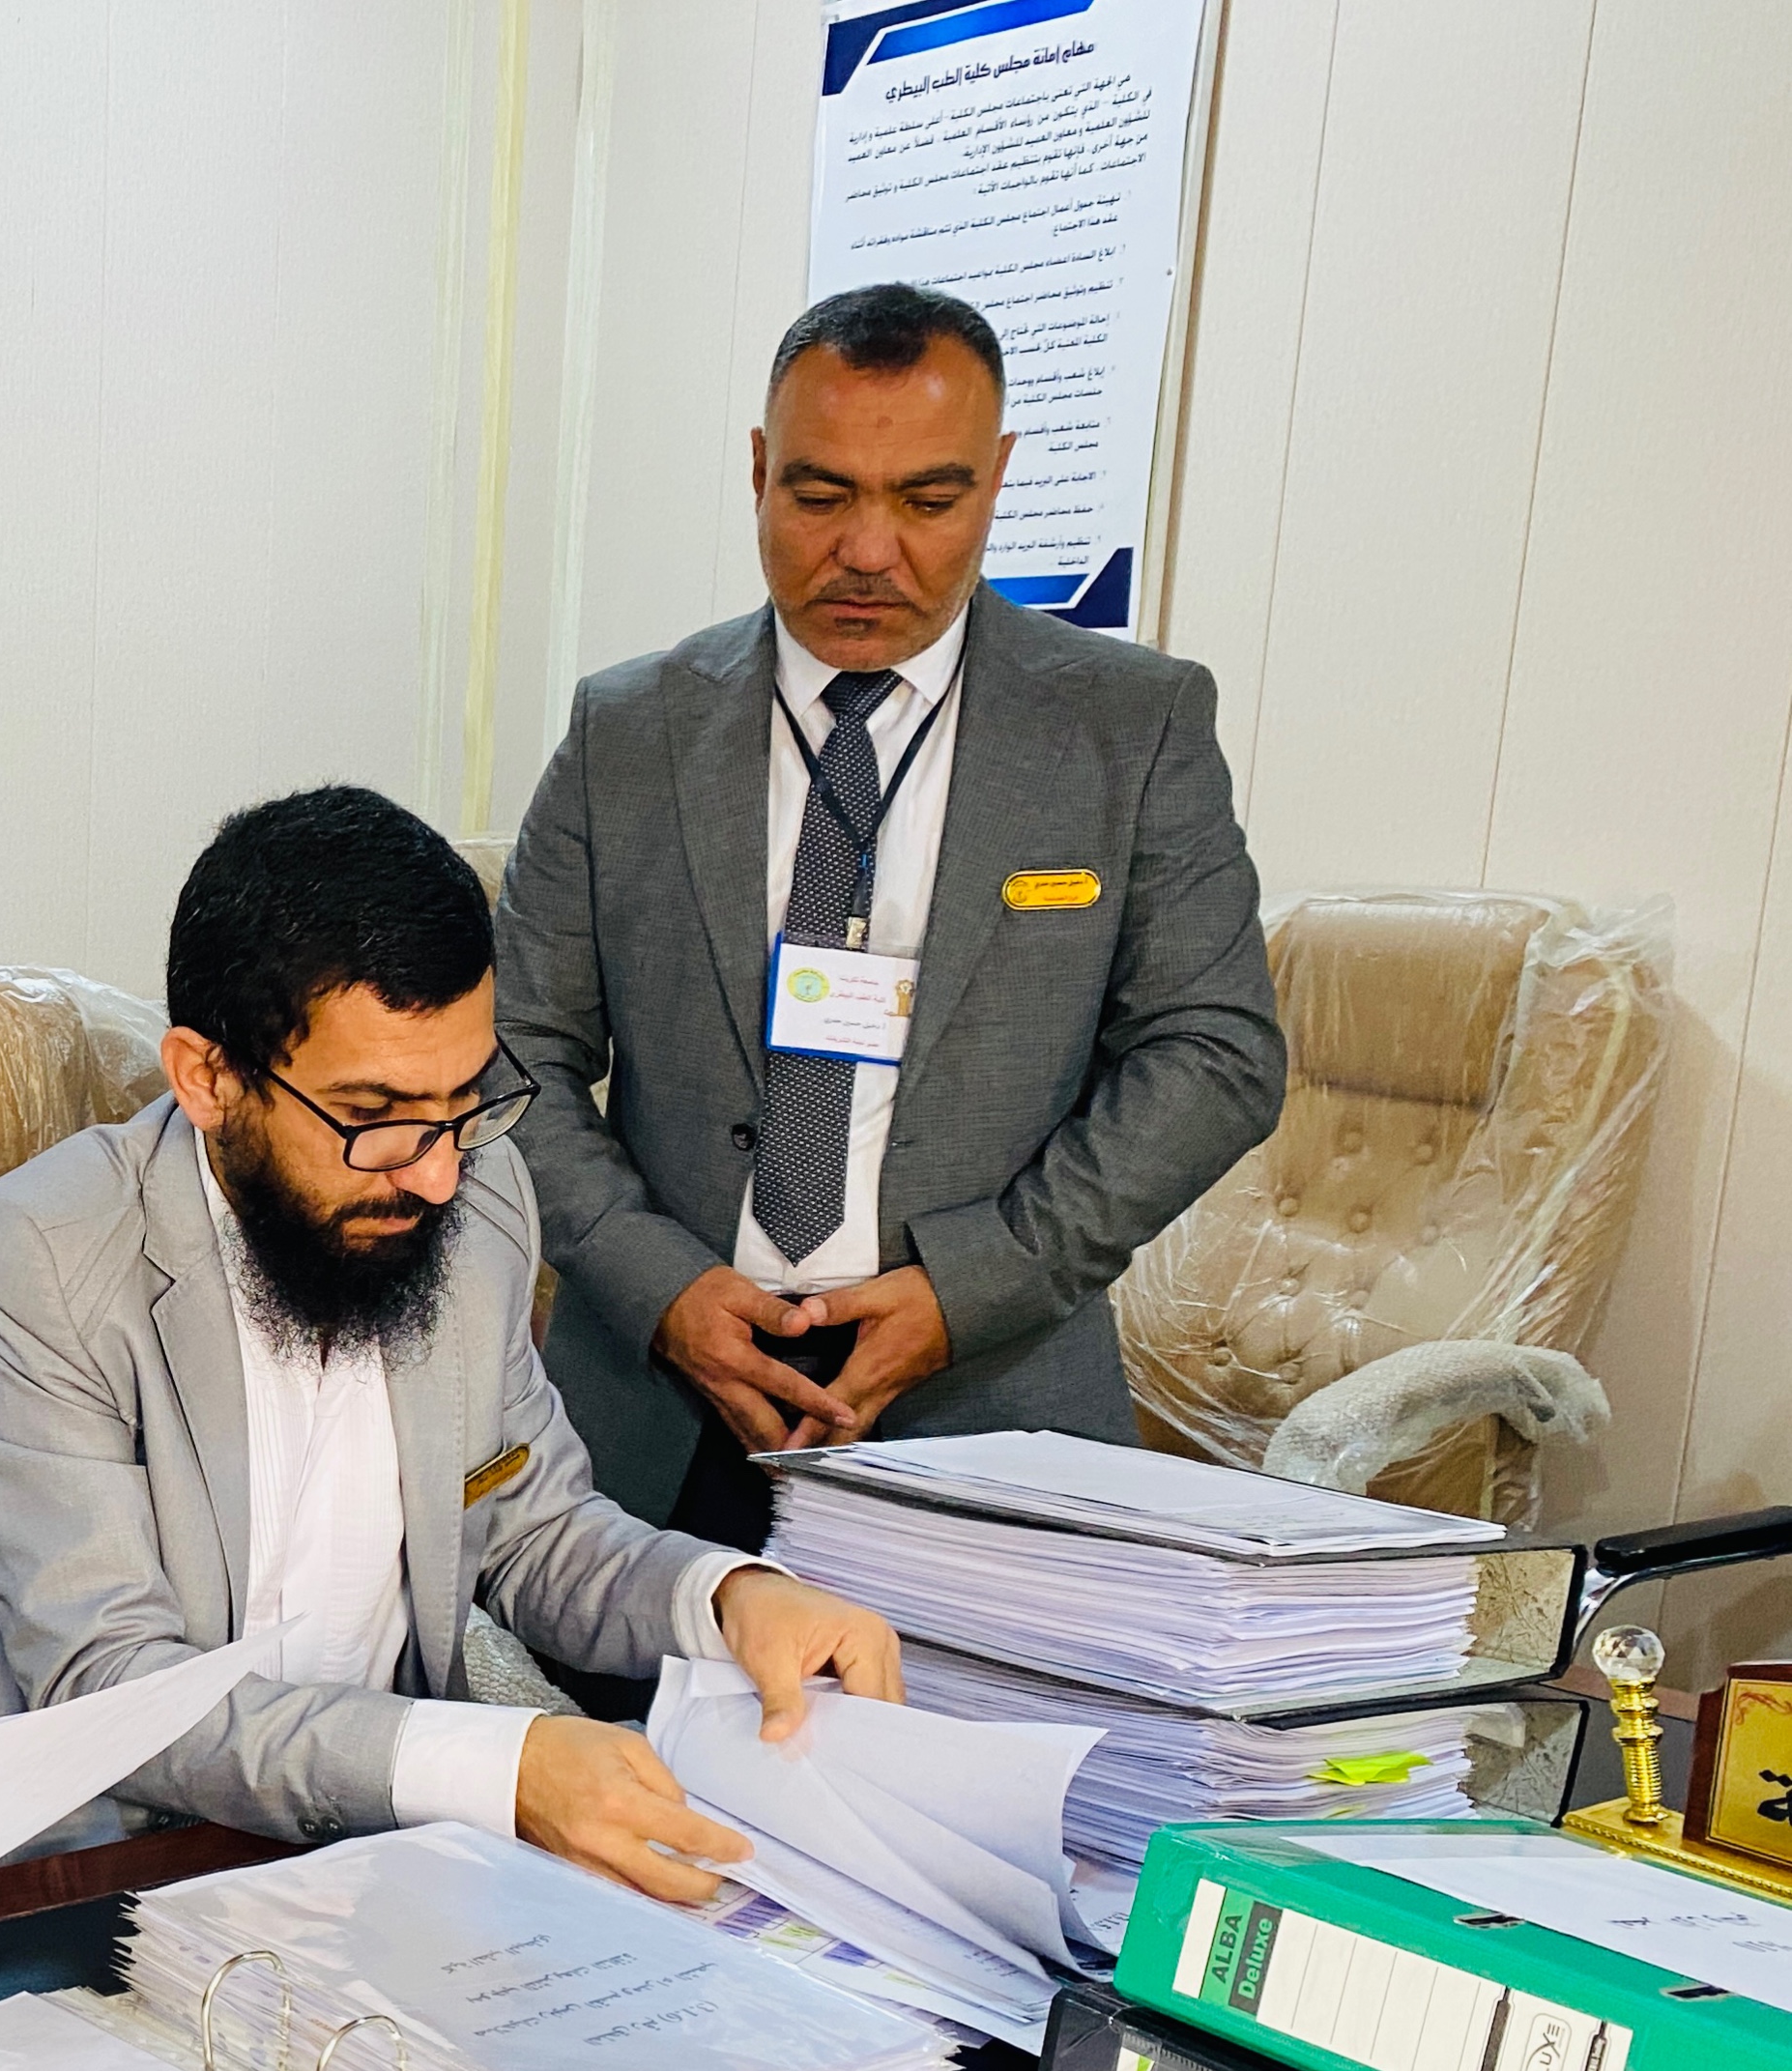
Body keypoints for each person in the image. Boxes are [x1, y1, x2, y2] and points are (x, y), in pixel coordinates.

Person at [0, 786, 901, 1901]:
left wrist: (728, 1597)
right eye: (376, 1118)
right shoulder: (34, 1258)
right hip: (50, 1869)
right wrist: (495, 1767)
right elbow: (115, 1689)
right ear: (207, 1078)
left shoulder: (481, 1200)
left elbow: (533, 1528)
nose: (439, 1174)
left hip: (352, 1862)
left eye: (464, 1102)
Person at [493, 282, 1286, 1551]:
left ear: (998, 479)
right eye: (820, 496)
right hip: (656, 1417)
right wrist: (659, 1284)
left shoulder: (1127, 729)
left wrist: (974, 1287)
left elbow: (1217, 1054)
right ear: (759, 470)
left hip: (995, 1409)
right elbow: (512, 1051)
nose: (868, 551)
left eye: (928, 500)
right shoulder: (628, 731)